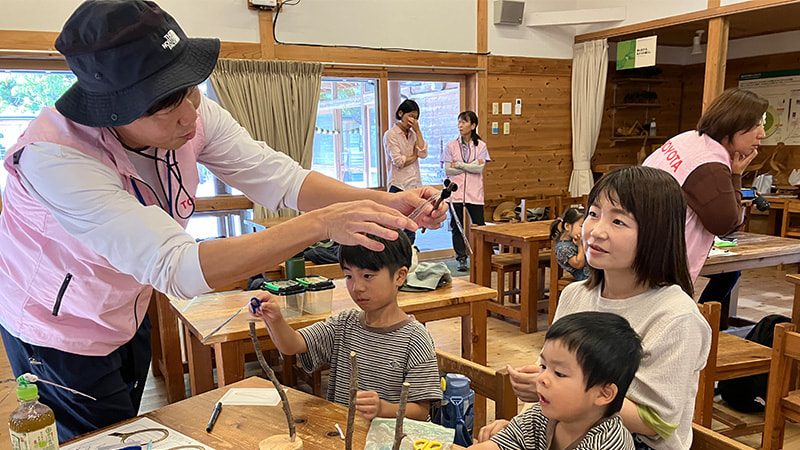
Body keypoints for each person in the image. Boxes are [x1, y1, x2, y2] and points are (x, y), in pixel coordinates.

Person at [0, 0, 446, 441]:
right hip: (58, 327)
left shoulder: (186, 108)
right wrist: (321, 224)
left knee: (123, 427)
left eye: (192, 88)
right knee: (99, 437)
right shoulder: (57, 160)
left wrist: (388, 202)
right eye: (168, 104)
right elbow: (177, 267)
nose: (192, 113)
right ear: (112, 110)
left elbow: (280, 178)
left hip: (123, 305)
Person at [481, 167, 711, 450]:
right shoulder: (575, 295)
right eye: (593, 214)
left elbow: (657, 422)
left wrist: (563, 391)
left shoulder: (675, 316)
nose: (596, 231)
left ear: (656, 234)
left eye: (618, 221)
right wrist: (527, 419)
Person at [252, 231, 441, 420]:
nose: (357, 287)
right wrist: (275, 319)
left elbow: (421, 411)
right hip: (343, 434)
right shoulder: (344, 324)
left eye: (367, 275)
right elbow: (292, 345)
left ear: (400, 276)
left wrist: (384, 409)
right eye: (349, 276)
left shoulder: (415, 339)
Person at [643, 88, 767, 328]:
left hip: (645, 240)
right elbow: (726, 224)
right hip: (664, 258)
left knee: (730, 272)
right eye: (755, 125)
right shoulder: (709, 163)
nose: (761, 134)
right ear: (732, 124)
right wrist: (736, 175)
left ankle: (704, 320)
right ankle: (698, 324)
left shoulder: (688, 139)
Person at [470, 311, 641, 450]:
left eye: (559, 373)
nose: (542, 377)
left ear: (604, 394)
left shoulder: (608, 444)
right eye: (544, 366)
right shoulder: (540, 417)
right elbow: (497, 445)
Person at [443, 111, 491, 272]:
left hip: (474, 191)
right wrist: (470, 166)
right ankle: (461, 258)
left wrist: (461, 165)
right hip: (455, 192)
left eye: (464, 122)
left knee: (479, 225)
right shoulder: (451, 145)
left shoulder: (481, 146)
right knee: (456, 226)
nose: (460, 125)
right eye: (459, 122)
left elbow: (479, 168)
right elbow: (448, 169)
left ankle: (482, 256)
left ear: (473, 125)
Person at [384, 99, 428, 245]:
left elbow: (423, 153)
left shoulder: (414, 134)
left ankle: (409, 260)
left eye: (416, 117)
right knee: (395, 227)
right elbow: (399, 162)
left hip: (414, 185)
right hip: (398, 185)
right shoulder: (391, 134)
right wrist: (414, 156)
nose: (413, 120)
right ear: (401, 113)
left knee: (411, 228)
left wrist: (418, 131)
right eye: (411, 116)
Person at [549, 207, 590, 281]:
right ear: (567, 226)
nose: (585, 229)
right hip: (587, 278)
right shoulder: (563, 248)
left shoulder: (576, 239)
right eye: (582, 226)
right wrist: (581, 246)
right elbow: (578, 264)